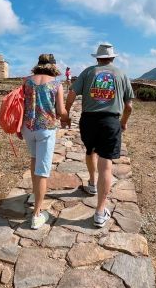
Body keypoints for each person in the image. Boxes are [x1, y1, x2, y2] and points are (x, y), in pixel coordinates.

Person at [61, 43, 133, 228]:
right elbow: (129, 106)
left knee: (90, 150)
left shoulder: (88, 72)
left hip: (88, 120)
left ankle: (92, 183)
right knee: (106, 165)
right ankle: (100, 212)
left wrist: (66, 114)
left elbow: (71, 93)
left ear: (97, 58)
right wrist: (123, 122)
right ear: (113, 58)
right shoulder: (121, 75)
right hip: (110, 121)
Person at [19, 53, 66, 229]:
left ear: (38, 65)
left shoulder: (27, 81)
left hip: (28, 127)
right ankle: (37, 214)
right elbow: (61, 111)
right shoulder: (56, 84)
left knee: (34, 159)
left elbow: (21, 104)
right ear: (53, 66)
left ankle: (34, 194)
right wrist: (66, 117)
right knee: (43, 169)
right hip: (45, 129)